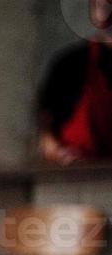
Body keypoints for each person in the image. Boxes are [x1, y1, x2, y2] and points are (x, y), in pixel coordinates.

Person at [38, 0, 112, 162]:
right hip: (79, 180)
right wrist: (57, 152)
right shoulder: (70, 64)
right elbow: (47, 136)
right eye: (101, 6)